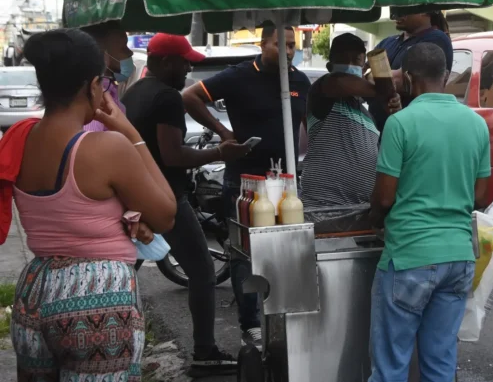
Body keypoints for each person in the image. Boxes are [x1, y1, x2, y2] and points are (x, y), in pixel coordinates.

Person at [4, 28, 176, 381]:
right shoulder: (106, 147)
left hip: (34, 290)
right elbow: (166, 214)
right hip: (95, 295)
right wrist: (130, 132)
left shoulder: (19, 137)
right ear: (92, 85)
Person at [122, 33, 251, 377]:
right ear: (165, 62)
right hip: (164, 197)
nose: (190, 67)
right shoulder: (166, 97)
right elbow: (172, 155)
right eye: (185, 61)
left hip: (133, 195)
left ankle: (119, 338)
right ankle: (205, 351)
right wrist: (219, 152)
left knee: (124, 270)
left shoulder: (134, 92)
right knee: (202, 270)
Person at [182, 23, 311, 348]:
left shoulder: (298, 80)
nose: (288, 52)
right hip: (245, 182)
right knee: (246, 253)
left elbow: (309, 124)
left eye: (293, 45)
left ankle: (282, 318)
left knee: (286, 248)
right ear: (263, 44)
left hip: (286, 183)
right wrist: (224, 134)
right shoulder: (239, 76)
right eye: (280, 45)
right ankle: (250, 323)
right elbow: (190, 96)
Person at [368, 43, 490, 382]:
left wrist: (374, 221)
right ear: (446, 76)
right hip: (459, 258)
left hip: (410, 257)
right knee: (439, 365)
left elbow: (384, 197)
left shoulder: (400, 124)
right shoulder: (476, 124)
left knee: (391, 367)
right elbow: (481, 195)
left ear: (406, 78)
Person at [300, 33, 400, 208]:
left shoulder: (367, 115)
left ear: (363, 68)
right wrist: (382, 91)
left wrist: (393, 104)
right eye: (344, 60)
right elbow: (339, 83)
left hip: (361, 208)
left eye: (356, 60)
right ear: (330, 66)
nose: (351, 65)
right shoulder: (322, 89)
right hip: (324, 205)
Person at [368, 10, 454, 132]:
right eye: (395, 9)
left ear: (425, 11)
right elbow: (362, 75)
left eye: (404, 10)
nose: (397, 15)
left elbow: (399, 81)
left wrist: (372, 76)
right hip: (376, 131)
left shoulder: (436, 39)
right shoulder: (387, 42)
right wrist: (374, 77)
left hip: (413, 130)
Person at [81, 21, 135, 132]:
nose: (130, 53)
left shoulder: (109, 91)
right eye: (123, 47)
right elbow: (92, 144)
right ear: (104, 55)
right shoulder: (98, 100)